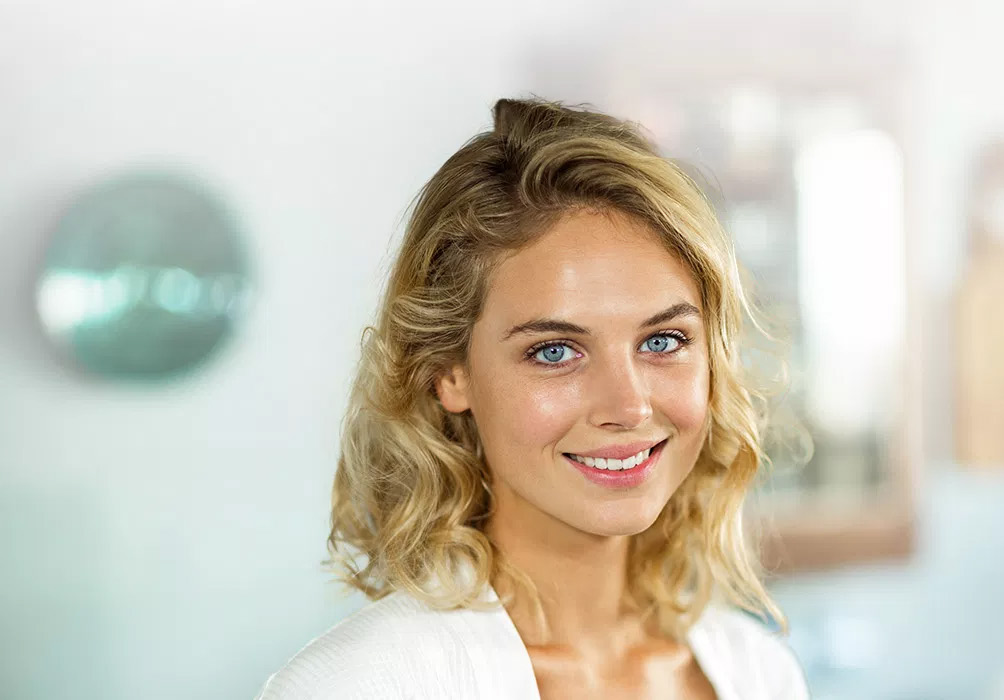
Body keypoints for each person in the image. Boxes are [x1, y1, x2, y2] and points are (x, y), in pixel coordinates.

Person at [258, 98, 808, 699]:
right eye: (554, 351)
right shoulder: (359, 686)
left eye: (663, 340)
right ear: (449, 372)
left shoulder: (760, 674)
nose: (628, 407)